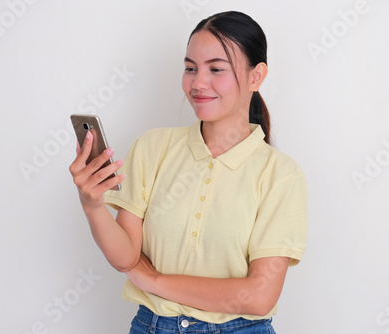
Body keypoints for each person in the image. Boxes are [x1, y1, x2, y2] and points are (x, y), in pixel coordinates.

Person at [69, 11, 307, 334]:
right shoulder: (153, 147)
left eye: (216, 69)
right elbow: (126, 258)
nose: (197, 83)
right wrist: (92, 205)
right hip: (151, 327)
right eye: (190, 68)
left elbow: (258, 296)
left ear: (256, 76)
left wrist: (154, 280)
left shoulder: (281, 174)